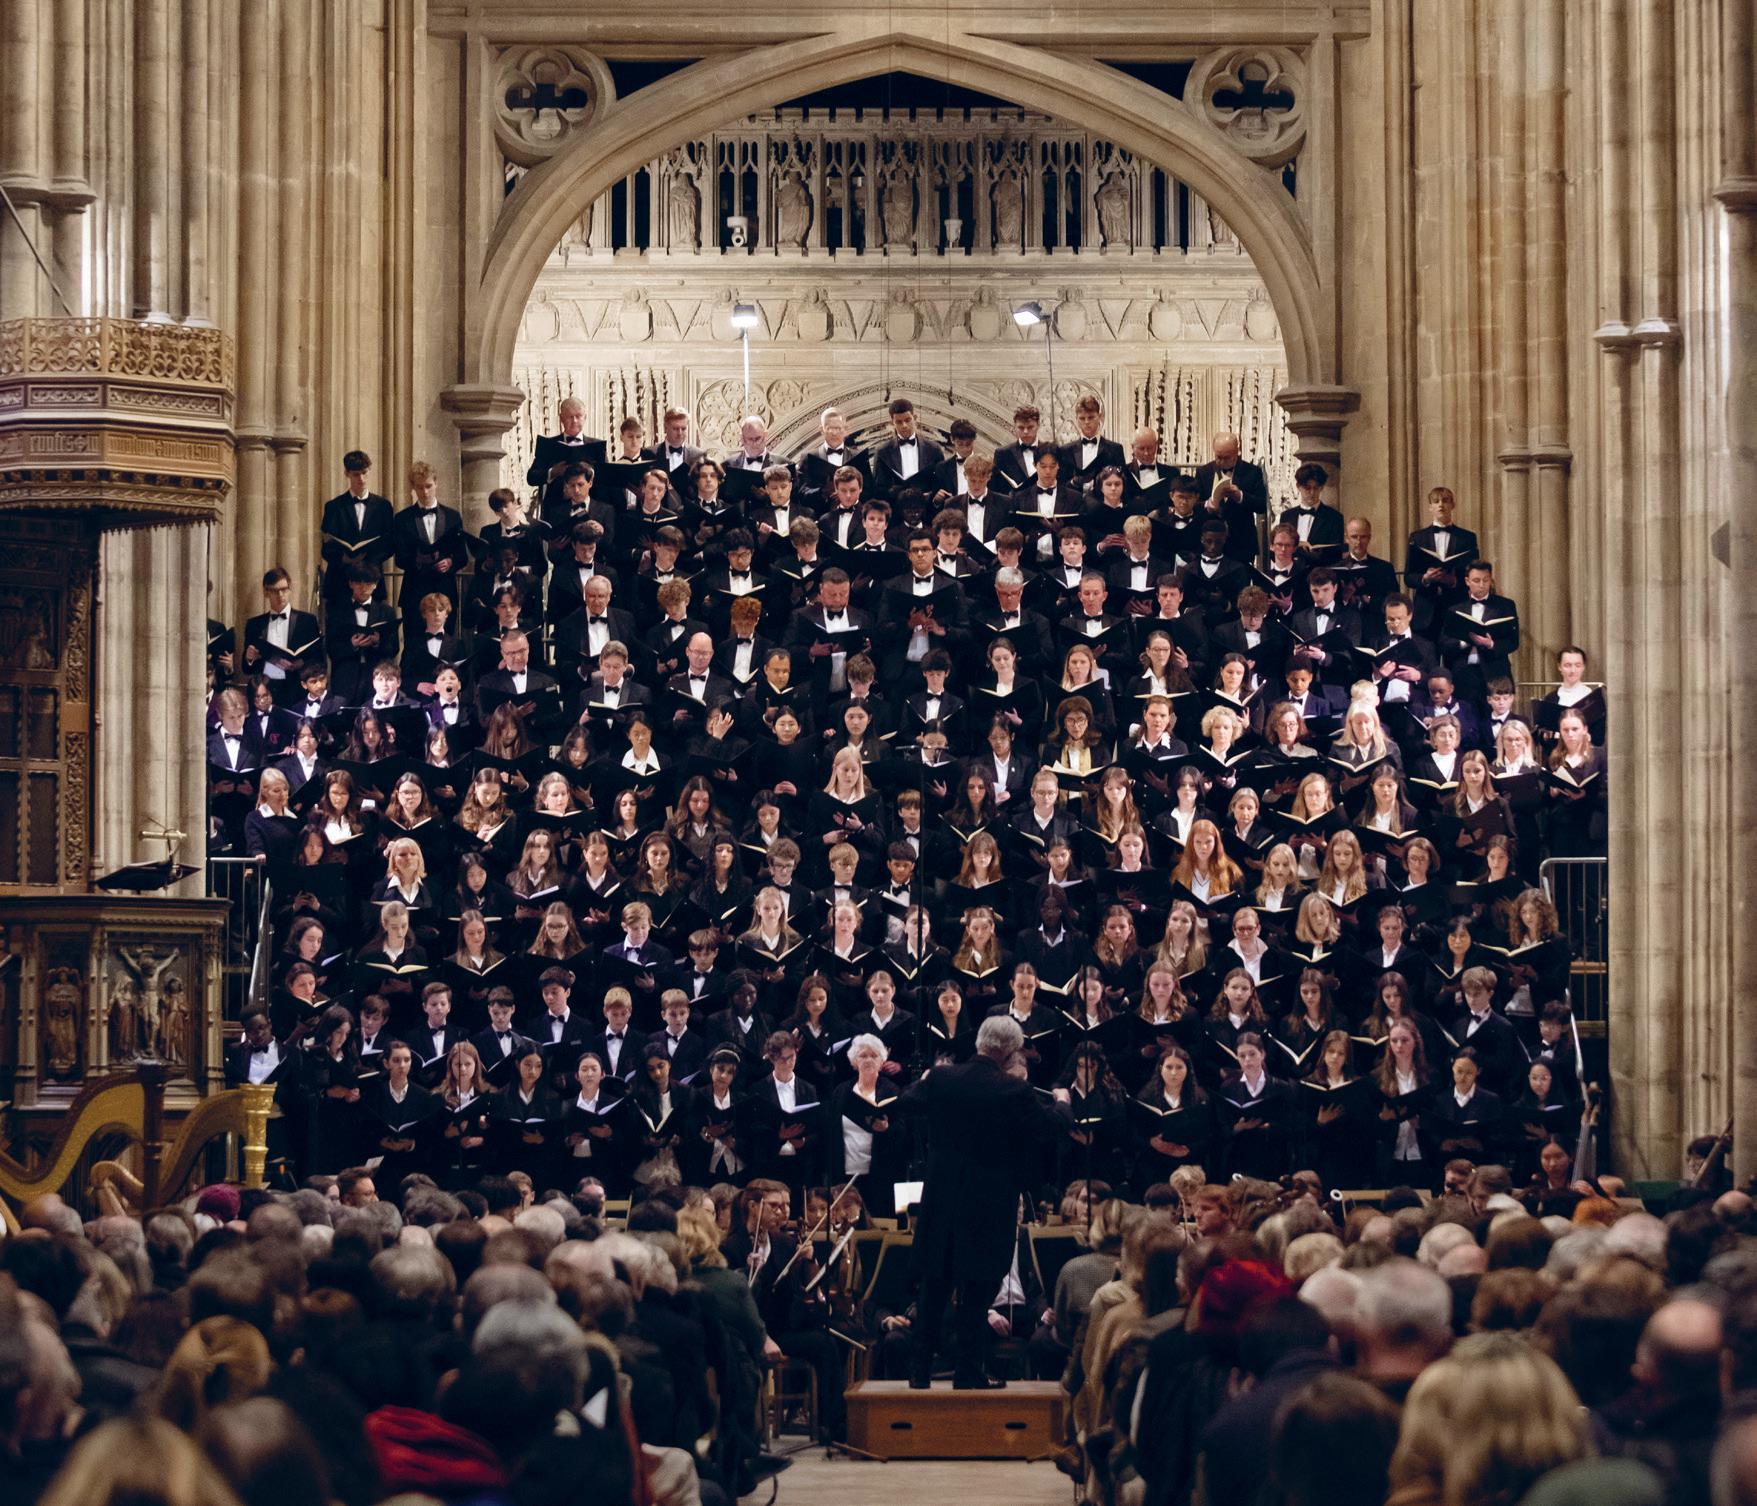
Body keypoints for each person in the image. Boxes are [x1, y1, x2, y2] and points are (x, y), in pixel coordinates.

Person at [904, 1015, 1071, 1388]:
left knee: (935, 1283)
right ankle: (968, 1370)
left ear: (979, 1041)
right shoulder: (1012, 1090)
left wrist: (927, 1079)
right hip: (988, 1204)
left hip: (941, 1198)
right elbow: (1050, 1128)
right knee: (978, 1287)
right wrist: (1062, 1102)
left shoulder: (943, 1078)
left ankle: (918, 1370)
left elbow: (907, 1101)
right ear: (1010, 1052)